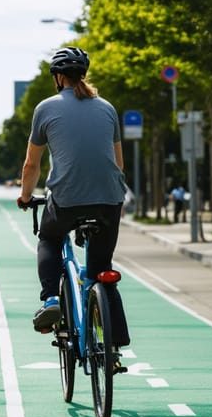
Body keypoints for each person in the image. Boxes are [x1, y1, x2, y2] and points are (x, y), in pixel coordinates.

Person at [16, 46, 128, 336]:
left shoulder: (46, 108)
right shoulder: (107, 108)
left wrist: (26, 197)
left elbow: (31, 165)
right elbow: (119, 164)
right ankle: (112, 343)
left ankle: (51, 299)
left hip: (66, 200)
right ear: (83, 74)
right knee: (102, 269)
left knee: (50, 238)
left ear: (58, 77)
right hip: (109, 200)